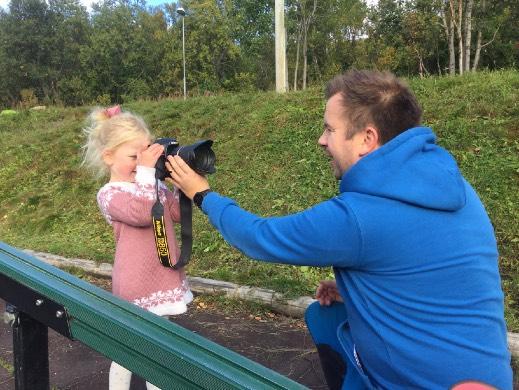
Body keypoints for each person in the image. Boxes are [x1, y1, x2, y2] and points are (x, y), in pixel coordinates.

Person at [166, 69, 512, 389]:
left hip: (420, 383)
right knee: (326, 315)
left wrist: (201, 193)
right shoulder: (456, 188)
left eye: (329, 129)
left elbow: (259, 237)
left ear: (367, 139)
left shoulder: (359, 217)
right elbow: (434, 273)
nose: (321, 140)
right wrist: (360, 288)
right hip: (486, 375)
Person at [82, 105, 192, 390]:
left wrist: (182, 182)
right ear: (109, 157)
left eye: (145, 155)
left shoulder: (149, 184)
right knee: (130, 354)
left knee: (160, 350)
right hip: (137, 285)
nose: (141, 163)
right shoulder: (110, 194)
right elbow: (142, 212)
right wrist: (146, 174)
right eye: (134, 157)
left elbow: (176, 214)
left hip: (161, 276)